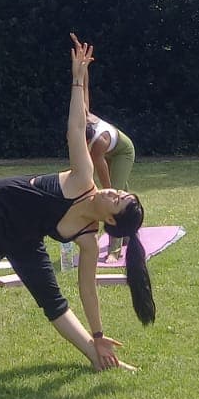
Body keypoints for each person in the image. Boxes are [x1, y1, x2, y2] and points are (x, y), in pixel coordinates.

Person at [0, 35, 156, 381]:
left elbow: (88, 289)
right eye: (118, 191)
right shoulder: (84, 179)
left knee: (52, 300)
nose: (113, 189)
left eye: (117, 198)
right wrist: (77, 79)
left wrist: (98, 336)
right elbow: (76, 128)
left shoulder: (87, 238)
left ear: (111, 219)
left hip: (25, 237)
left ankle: (98, 357)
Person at [76, 51, 137, 258]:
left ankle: (115, 250)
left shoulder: (98, 145)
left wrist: (106, 195)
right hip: (110, 151)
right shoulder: (83, 116)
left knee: (116, 196)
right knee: (125, 196)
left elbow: (107, 187)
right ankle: (131, 229)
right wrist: (82, 67)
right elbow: (84, 89)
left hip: (122, 152)